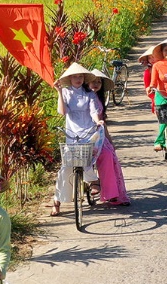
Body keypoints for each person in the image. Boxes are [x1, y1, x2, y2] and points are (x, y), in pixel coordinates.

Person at [54, 62, 103, 216]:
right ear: (70, 78)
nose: (78, 79)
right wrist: (59, 92)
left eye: (80, 76)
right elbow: (63, 112)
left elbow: (94, 111)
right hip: (71, 133)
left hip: (87, 131)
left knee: (86, 160)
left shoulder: (89, 94)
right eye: (75, 76)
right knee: (66, 168)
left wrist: (97, 121)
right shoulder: (67, 93)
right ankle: (57, 200)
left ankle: (94, 181)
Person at [87, 69, 131, 206]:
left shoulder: (99, 100)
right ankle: (93, 182)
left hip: (98, 136)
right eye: (93, 81)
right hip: (83, 136)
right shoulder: (83, 97)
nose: (96, 84)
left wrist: (109, 140)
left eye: (99, 82)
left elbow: (102, 122)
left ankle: (112, 194)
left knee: (108, 155)